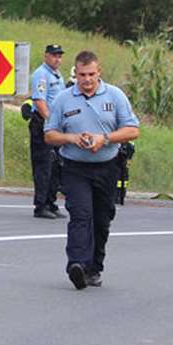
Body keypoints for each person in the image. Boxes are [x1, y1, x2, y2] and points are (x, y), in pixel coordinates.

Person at [45, 51, 140, 290]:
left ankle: (95, 267)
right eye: (81, 75)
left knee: (101, 219)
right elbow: (49, 135)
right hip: (75, 168)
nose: (86, 80)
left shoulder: (115, 96)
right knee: (80, 215)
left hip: (107, 167)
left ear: (99, 73)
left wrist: (104, 139)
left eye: (91, 74)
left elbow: (132, 130)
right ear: (75, 74)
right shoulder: (63, 99)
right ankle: (77, 264)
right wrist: (71, 138)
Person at [29, 44, 67, 219]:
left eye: (59, 56)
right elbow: (39, 101)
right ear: (46, 56)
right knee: (43, 165)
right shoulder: (41, 75)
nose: (57, 59)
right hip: (43, 124)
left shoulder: (58, 76)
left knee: (56, 166)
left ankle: (51, 202)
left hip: (57, 127)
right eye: (54, 56)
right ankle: (41, 205)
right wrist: (50, 123)